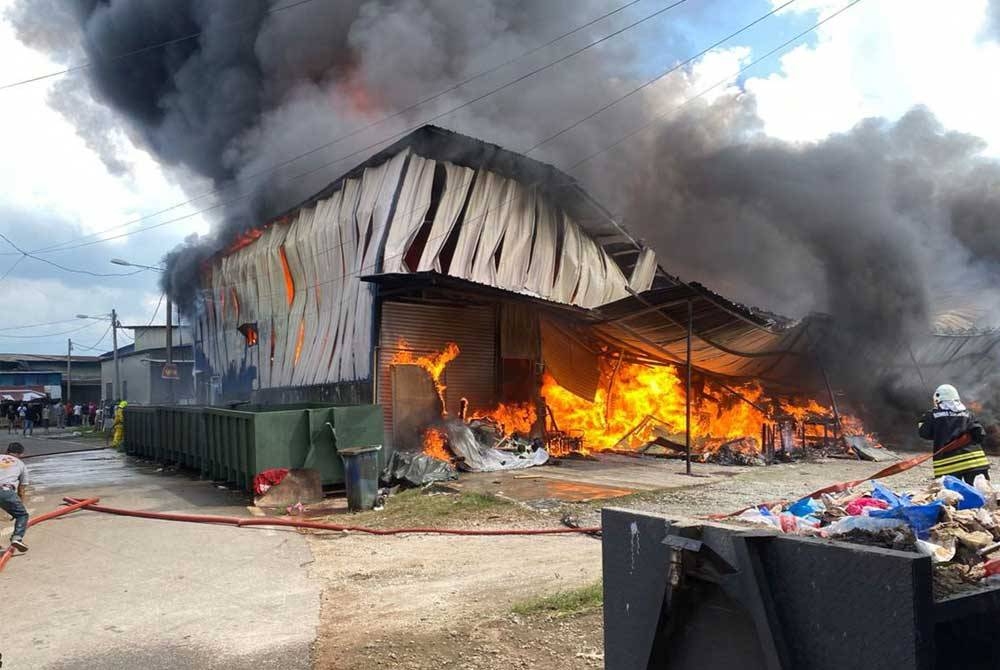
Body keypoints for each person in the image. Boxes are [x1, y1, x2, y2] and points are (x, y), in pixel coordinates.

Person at [918, 384, 989, 484]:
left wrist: (926, 418)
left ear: (937, 399)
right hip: (975, 462)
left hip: (948, 465)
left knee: (952, 496)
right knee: (982, 495)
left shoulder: (932, 415)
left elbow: (924, 433)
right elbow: (980, 434)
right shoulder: (968, 414)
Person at [0, 442, 29, 553]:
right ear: (21, 454)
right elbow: (21, 490)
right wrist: (17, 507)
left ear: (7, 451)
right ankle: (17, 538)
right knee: (22, 515)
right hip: (5, 490)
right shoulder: (21, 464)